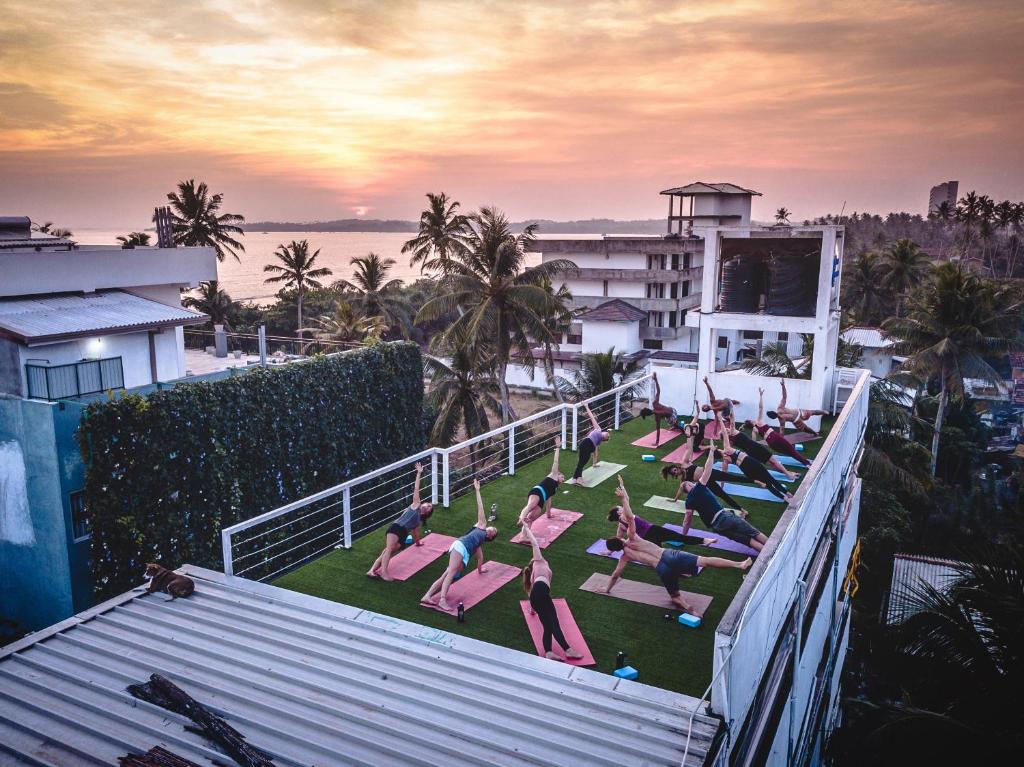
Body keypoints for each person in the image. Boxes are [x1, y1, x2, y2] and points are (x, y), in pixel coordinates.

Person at [604, 477, 750, 612]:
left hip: (661, 568)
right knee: (704, 561)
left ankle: (688, 608)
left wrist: (606, 589)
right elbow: (630, 517)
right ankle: (738, 564)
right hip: (668, 554)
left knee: (675, 596)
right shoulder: (632, 537)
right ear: (621, 540)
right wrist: (623, 498)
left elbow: (615, 575)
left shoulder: (624, 557)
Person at [421, 478, 498, 611]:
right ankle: (442, 600)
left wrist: (481, 569)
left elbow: (480, 558)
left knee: (445, 575)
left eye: (494, 531)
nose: (492, 528)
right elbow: (480, 508)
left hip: (464, 553)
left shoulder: (479, 542)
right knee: (450, 573)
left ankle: (427, 595)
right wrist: (478, 490)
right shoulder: (481, 526)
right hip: (460, 546)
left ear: (491, 536)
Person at [680, 444, 769, 551]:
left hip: (717, 527)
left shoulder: (688, 502)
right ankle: (773, 547)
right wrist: (712, 452)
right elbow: (708, 469)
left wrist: (683, 536)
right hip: (724, 517)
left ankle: (767, 553)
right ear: (690, 485)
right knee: (754, 533)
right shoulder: (699, 488)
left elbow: (687, 521)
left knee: (748, 541)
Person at [521, 523, 585, 661]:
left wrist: (533, 610)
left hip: (538, 595)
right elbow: (535, 544)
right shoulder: (539, 562)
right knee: (554, 623)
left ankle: (549, 652)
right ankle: (568, 650)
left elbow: (533, 596)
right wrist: (526, 528)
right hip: (540, 594)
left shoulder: (534, 576)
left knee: (548, 626)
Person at [367, 462, 434, 581]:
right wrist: (419, 473)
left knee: (387, 551)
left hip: (402, 534)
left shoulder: (418, 520)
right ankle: (384, 573)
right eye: (427, 504)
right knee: (388, 550)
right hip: (396, 527)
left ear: (428, 513)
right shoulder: (416, 505)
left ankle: (372, 570)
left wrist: (418, 543)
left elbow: (415, 534)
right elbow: (416, 488)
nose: (427, 506)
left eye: (429, 507)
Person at [715, 412, 792, 501]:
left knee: (767, 484)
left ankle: (785, 498)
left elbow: (724, 475)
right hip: (750, 462)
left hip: (746, 470)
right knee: (770, 479)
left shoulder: (725, 461)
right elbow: (725, 432)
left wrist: (721, 486)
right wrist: (720, 419)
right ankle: (787, 494)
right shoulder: (727, 448)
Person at [722, 402, 798, 480]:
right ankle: (789, 475)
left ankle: (789, 473)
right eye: (724, 430)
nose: (726, 429)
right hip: (755, 447)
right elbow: (732, 420)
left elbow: (730, 449)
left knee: (772, 464)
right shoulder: (732, 432)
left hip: (750, 452)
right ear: (726, 434)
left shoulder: (729, 441)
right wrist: (731, 407)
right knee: (774, 461)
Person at [744, 388, 812, 467]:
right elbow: (761, 407)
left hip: (771, 444)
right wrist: (761, 395)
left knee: (789, 452)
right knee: (792, 451)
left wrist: (749, 451)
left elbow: (754, 443)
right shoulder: (759, 421)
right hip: (775, 437)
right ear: (751, 422)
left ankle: (806, 462)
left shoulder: (754, 431)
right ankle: (807, 463)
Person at [607, 505, 714, 548]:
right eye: (620, 507)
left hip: (647, 538)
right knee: (680, 537)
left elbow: (618, 538)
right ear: (619, 512)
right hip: (654, 530)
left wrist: (610, 550)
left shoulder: (621, 524)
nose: (622, 507)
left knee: (661, 554)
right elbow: (626, 502)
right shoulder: (625, 516)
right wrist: (622, 492)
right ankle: (704, 540)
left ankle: (681, 572)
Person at [662, 462, 748, 512]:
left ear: (677, 467)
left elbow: (689, 447)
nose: (676, 472)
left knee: (732, 477)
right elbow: (680, 489)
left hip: (710, 472)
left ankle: (755, 480)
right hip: (707, 482)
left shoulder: (686, 464)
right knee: (723, 495)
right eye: (674, 473)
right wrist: (675, 499)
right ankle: (741, 509)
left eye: (675, 470)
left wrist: (690, 436)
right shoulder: (684, 479)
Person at [519, 437, 565, 527]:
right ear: (558, 474)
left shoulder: (555, 488)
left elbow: (548, 500)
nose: (563, 478)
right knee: (530, 506)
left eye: (564, 479)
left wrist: (548, 514)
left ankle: (524, 536)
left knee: (532, 517)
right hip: (537, 491)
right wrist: (558, 448)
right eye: (562, 476)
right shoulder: (554, 474)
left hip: (542, 499)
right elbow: (556, 461)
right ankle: (521, 519)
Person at [569, 402, 610, 484]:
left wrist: (594, 464)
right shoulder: (598, 429)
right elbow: (592, 417)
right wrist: (586, 406)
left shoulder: (598, 442)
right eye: (607, 433)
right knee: (582, 462)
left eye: (608, 436)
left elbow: (595, 453)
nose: (607, 434)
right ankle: (578, 478)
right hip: (586, 444)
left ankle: (575, 478)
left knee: (582, 463)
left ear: (605, 439)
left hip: (589, 448)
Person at [638, 372, 679, 446]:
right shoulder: (655, 404)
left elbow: (658, 430)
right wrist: (656, 379)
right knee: (668, 419)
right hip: (673, 409)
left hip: (673, 416)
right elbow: (658, 391)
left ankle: (678, 427)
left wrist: (657, 442)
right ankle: (676, 426)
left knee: (670, 422)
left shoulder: (657, 416)